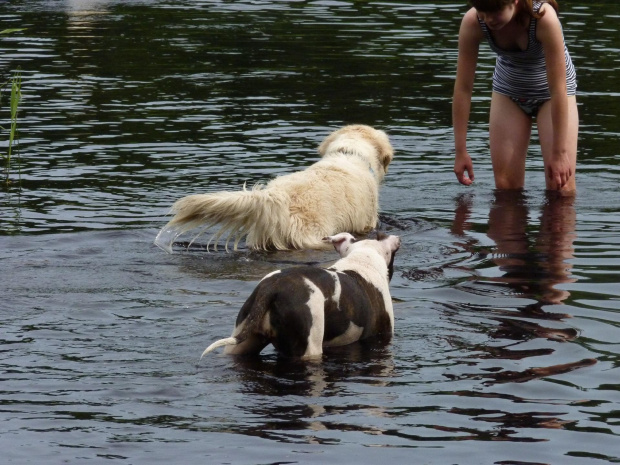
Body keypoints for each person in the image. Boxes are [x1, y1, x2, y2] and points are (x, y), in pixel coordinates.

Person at [452, 0, 578, 192]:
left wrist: (559, 153)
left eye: (495, 11)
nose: (488, 20)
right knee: (505, 187)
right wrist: (460, 151)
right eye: (482, 12)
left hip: (552, 93)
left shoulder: (544, 18)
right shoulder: (473, 21)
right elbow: (463, 88)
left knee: (561, 186)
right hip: (509, 90)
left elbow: (558, 89)